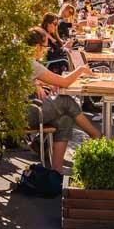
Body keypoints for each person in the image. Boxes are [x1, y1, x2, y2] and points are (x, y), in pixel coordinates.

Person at [25, 28, 102, 171]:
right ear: (36, 46)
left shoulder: (22, 61)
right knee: (66, 100)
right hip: (28, 112)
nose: (45, 51)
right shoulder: (31, 63)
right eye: (44, 47)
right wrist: (80, 70)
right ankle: (96, 134)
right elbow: (64, 82)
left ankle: (56, 171)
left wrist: (39, 83)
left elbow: (28, 80)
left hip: (25, 110)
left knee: (65, 119)